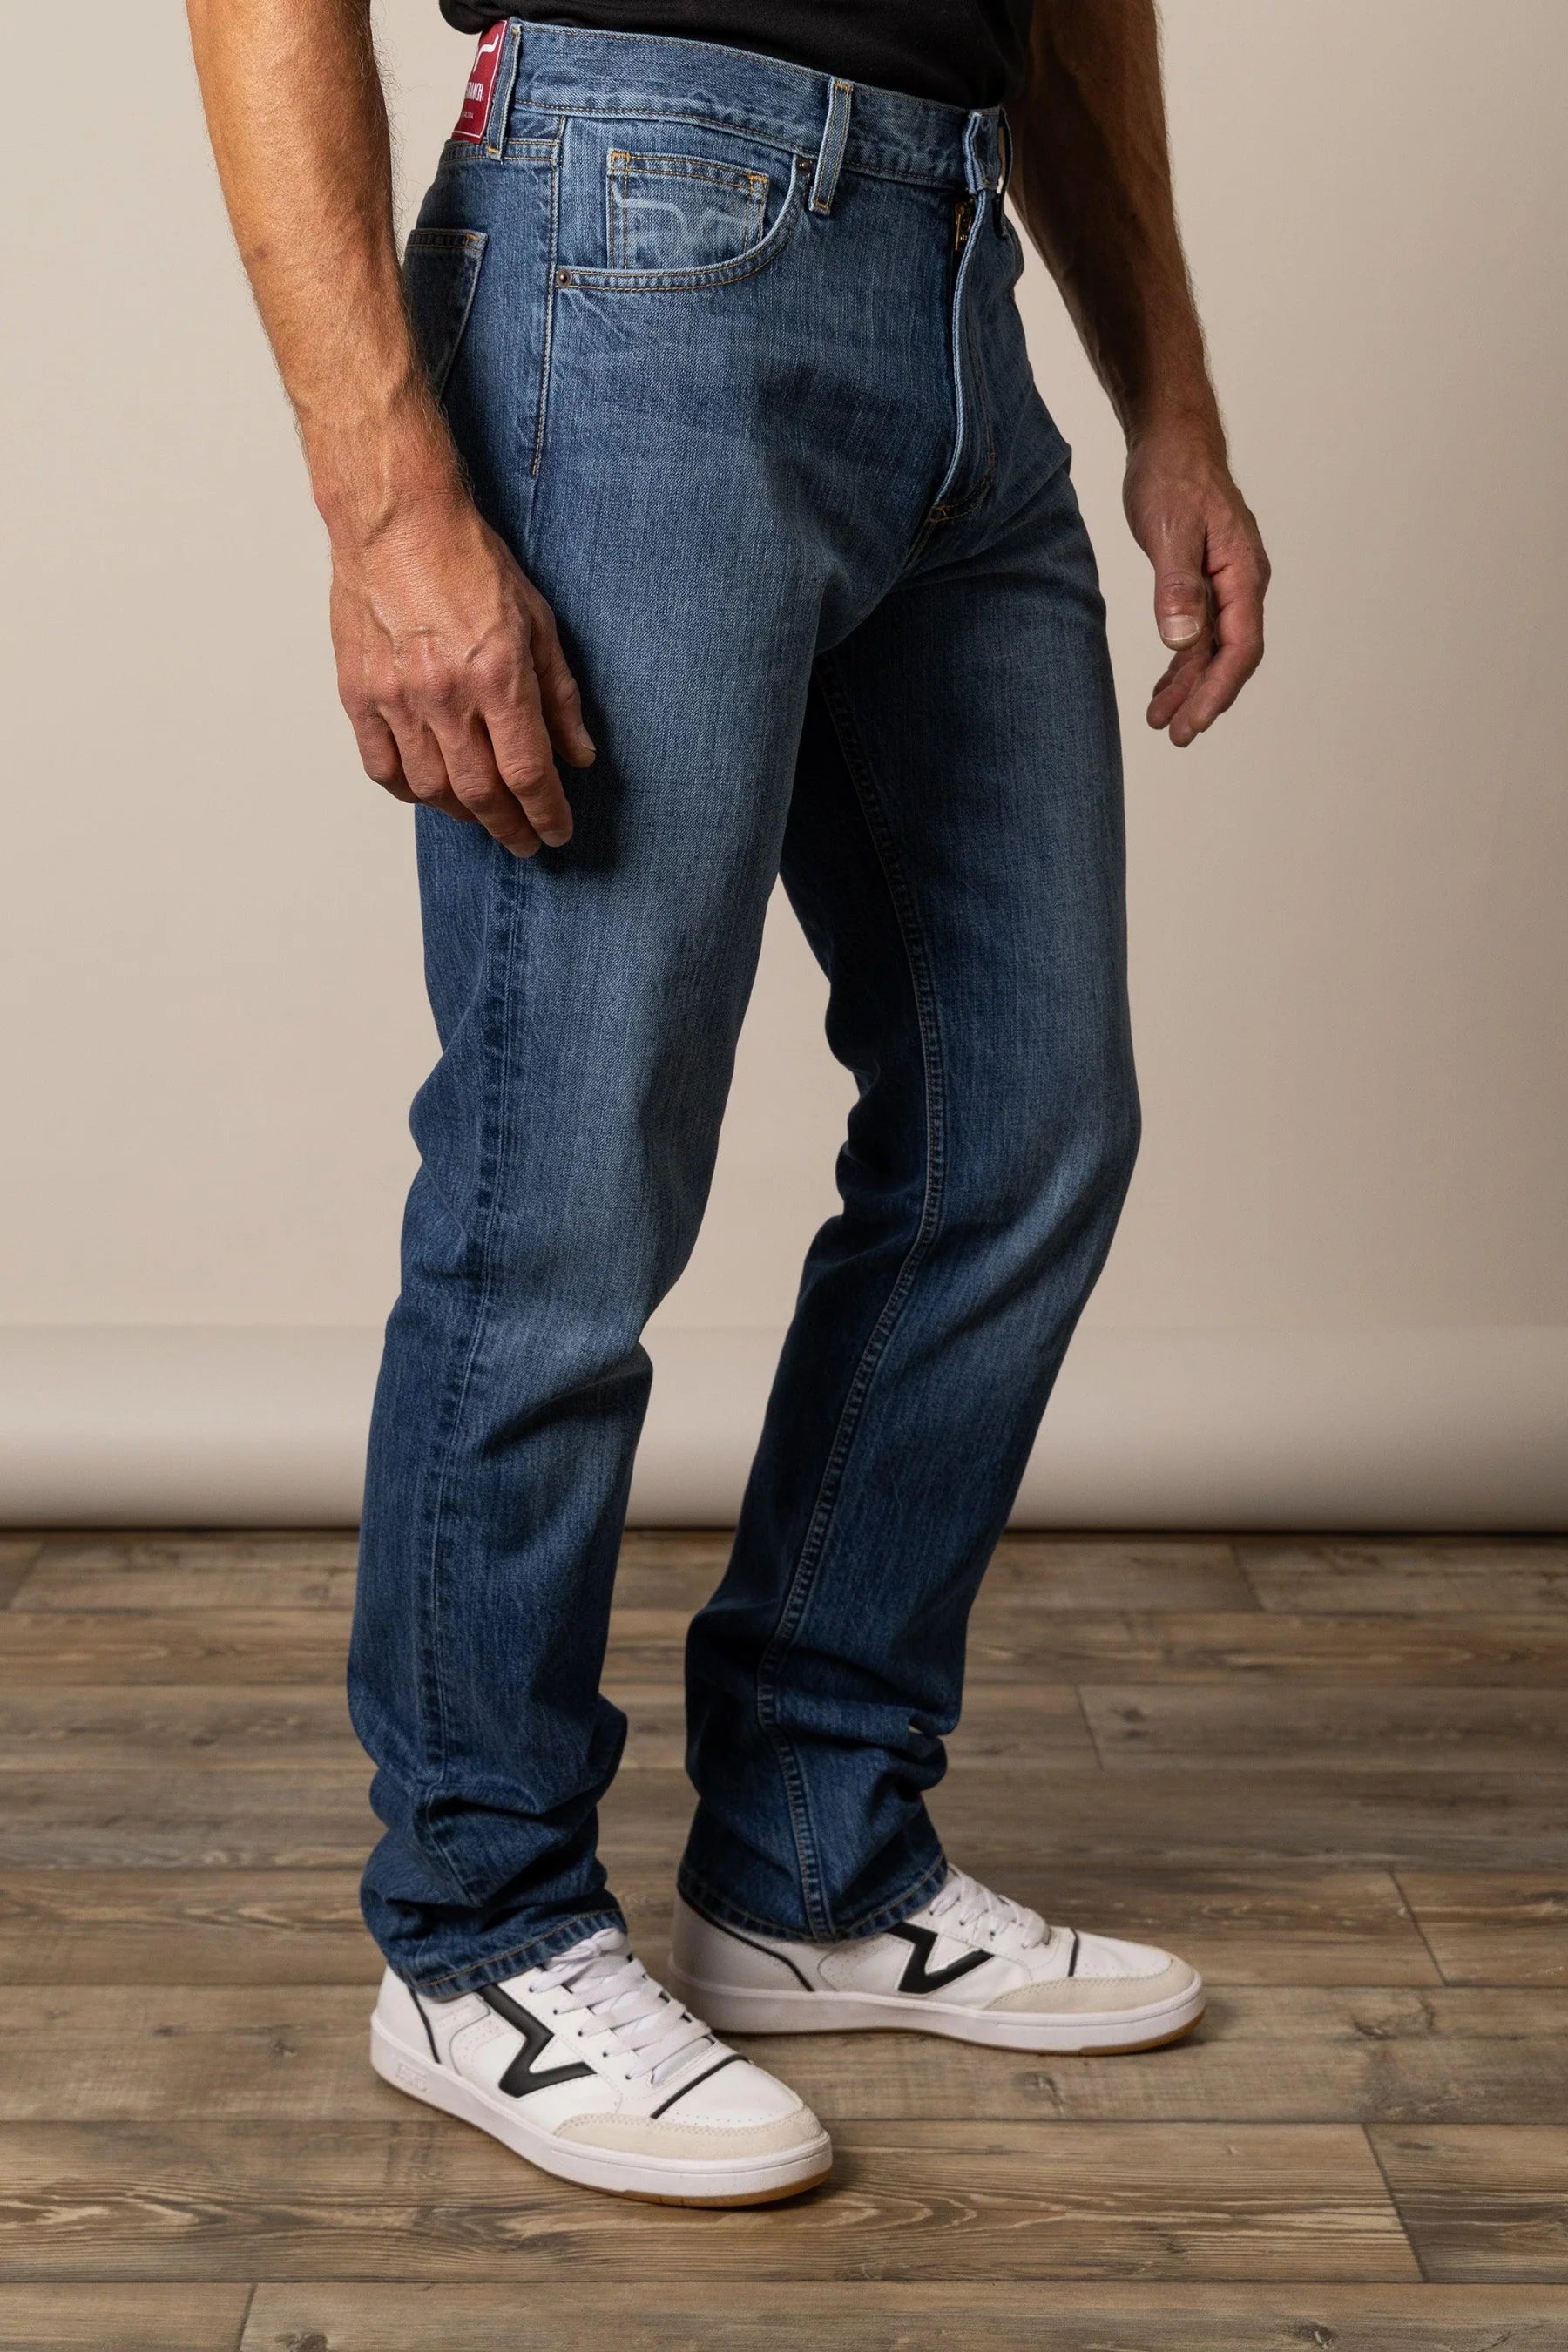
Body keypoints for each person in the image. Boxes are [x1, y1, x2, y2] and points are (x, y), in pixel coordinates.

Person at [186, 0, 1268, 2206]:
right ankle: (479, 1929)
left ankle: (812, 1857)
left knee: (1024, 1128)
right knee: (564, 1172)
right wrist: (386, 501)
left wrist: (1167, 393)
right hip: (635, 236)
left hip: (954, 270)